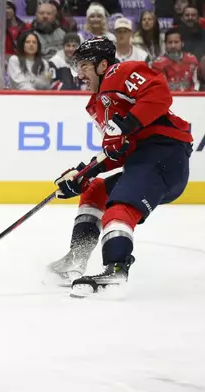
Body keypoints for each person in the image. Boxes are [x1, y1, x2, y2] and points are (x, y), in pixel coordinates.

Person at [47, 37, 193, 297]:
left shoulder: (121, 72)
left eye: (84, 66)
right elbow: (117, 151)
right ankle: (76, 260)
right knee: (95, 192)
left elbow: (159, 93)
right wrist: (82, 175)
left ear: (103, 65)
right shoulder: (98, 104)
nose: (79, 74)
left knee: (120, 204)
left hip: (164, 156)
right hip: (143, 160)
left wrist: (126, 124)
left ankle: (115, 270)